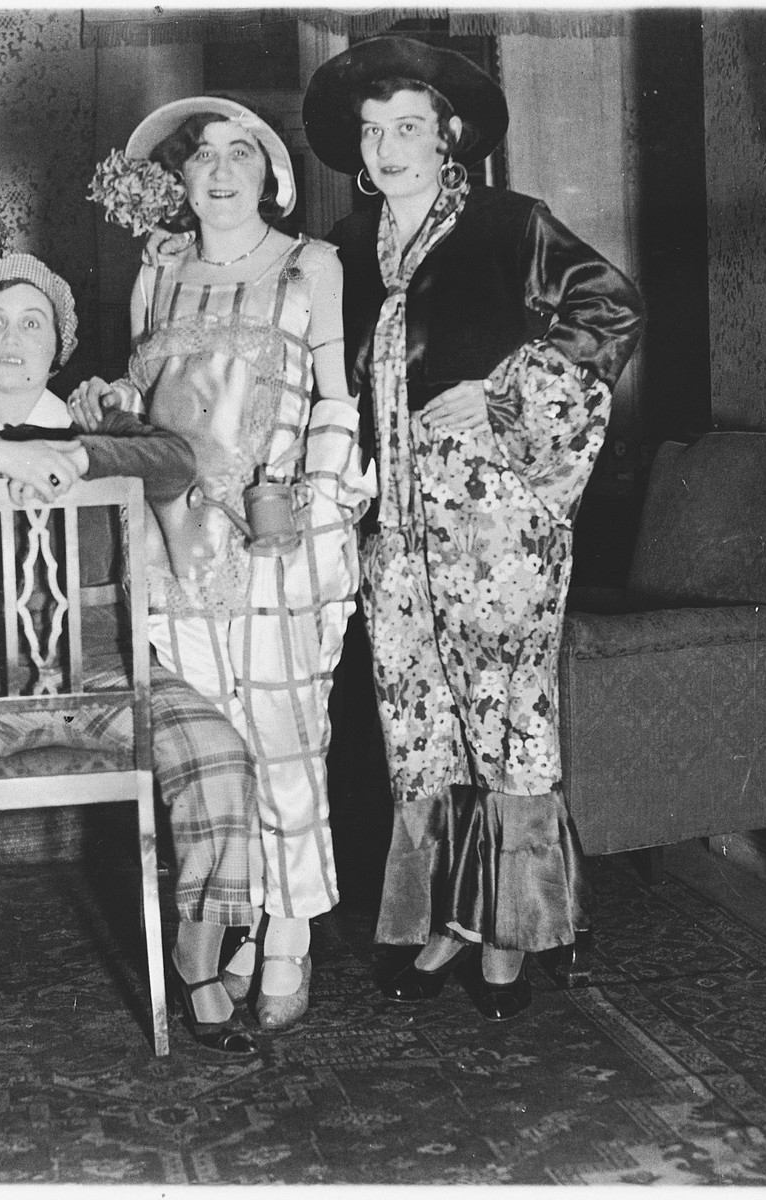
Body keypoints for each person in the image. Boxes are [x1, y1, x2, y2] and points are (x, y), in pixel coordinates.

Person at [0, 254, 263, 1079]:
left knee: (218, 756)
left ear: (59, 345)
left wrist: (95, 453)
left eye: (32, 322)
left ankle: (199, 963)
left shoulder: (102, 429)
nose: (12, 337)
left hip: (109, 674)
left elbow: (178, 465)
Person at [302, 36, 645, 1019]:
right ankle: (446, 916)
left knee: (503, 720)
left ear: (448, 134)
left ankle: (514, 927)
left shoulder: (507, 226)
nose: (387, 146)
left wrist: (503, 392)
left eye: (408, 126)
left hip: (497, 525)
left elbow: (609, 310)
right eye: (372, 131)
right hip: (396, 532)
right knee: (418, 724)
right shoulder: (342, 253)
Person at [74, 98, 372, 1031]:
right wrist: (113, 401)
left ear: (270, 174)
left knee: (285, 740)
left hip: (277, 538)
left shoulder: (308, 264)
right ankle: (235, 922)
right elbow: (147, 393)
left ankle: (289, 931)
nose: (219, 168)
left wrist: (309, 513)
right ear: (179, 179)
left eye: (240, 151)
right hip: (173, 545)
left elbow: (338, 397)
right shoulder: (155, 274)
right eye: (202, 155)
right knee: (214, 753)